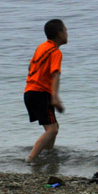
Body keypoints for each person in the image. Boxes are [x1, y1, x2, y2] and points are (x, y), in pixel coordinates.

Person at [23, 19, 68, 164]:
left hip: (29, 91)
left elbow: (30, 66)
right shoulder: (55, 52)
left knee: (54, 126)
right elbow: (55, 74)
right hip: (40, 93)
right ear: (59, 34)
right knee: (52, 130)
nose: (67, 34)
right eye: (66, 30)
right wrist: (55, 97)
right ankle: (31, 158)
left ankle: (48, 154)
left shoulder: (41, 47)